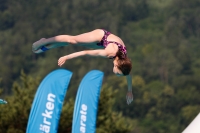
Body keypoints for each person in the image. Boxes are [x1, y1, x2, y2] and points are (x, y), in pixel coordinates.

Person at [32, 29, 133, 105]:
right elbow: (85, 53)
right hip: (101, 36)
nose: (117, 75)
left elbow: (128, 75)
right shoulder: (108, 53)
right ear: (116, 65)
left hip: (104, 43)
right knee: (72, 40)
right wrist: (67, 57)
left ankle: (50, 46)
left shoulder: (124, 62)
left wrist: (129, 91)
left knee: (73, 43)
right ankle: (43, 42)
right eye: (118, 74)